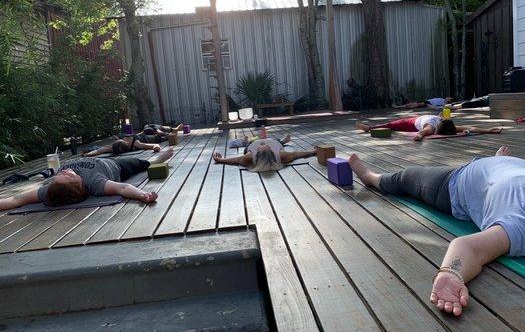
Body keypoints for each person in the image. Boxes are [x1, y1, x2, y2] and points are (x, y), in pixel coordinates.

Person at [348, 147, 525, 317]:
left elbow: (469, 248)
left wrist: (451, 273)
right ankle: (494, 161)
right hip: (500, 168)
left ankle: (371, 177)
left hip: (453, 184)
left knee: (405, 178)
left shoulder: (524, 227)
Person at [0, 149, 174, 210]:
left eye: (59, 175)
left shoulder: (49, 190)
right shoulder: (95, 182)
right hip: (117, 166)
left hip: (99, 158)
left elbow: (14, 200)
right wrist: (143, 195)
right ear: (78, 182)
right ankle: (157, 159)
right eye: (66, 175)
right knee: (143, 163)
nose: (64, 171)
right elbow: (123, 188)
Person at [213, 134, 316, 171]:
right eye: (265, 146)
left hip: (252, 145)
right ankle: (283, 141)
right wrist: (313, 151)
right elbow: (296, 154)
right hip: (275, 142)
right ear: (272, 153)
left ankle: (247, 141)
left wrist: (220, 159)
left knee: (250, 143)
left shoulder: (249, 157)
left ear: (256, 155)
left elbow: (236, 159)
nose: (262, 143)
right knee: (276, 142)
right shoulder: (282, 156)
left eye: (261, 147)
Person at [356, 115, 503, 141]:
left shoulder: (450, 125)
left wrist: (489, 130)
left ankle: (369, 127)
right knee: (391, 125)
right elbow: (421, 133)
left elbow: (471, 127)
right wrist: (419, 136)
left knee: (391, 125)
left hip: (426, 117)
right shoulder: (431, 128)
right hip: (413, 122)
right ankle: (369, 128)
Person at [82, 136, 162, 157]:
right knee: (97, 148)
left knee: (160, 137)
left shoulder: (136, 143)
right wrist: (88, 154)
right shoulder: (114, 147)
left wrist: (156, 147)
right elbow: (99, 151)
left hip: (146, 137)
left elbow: (154, 145)